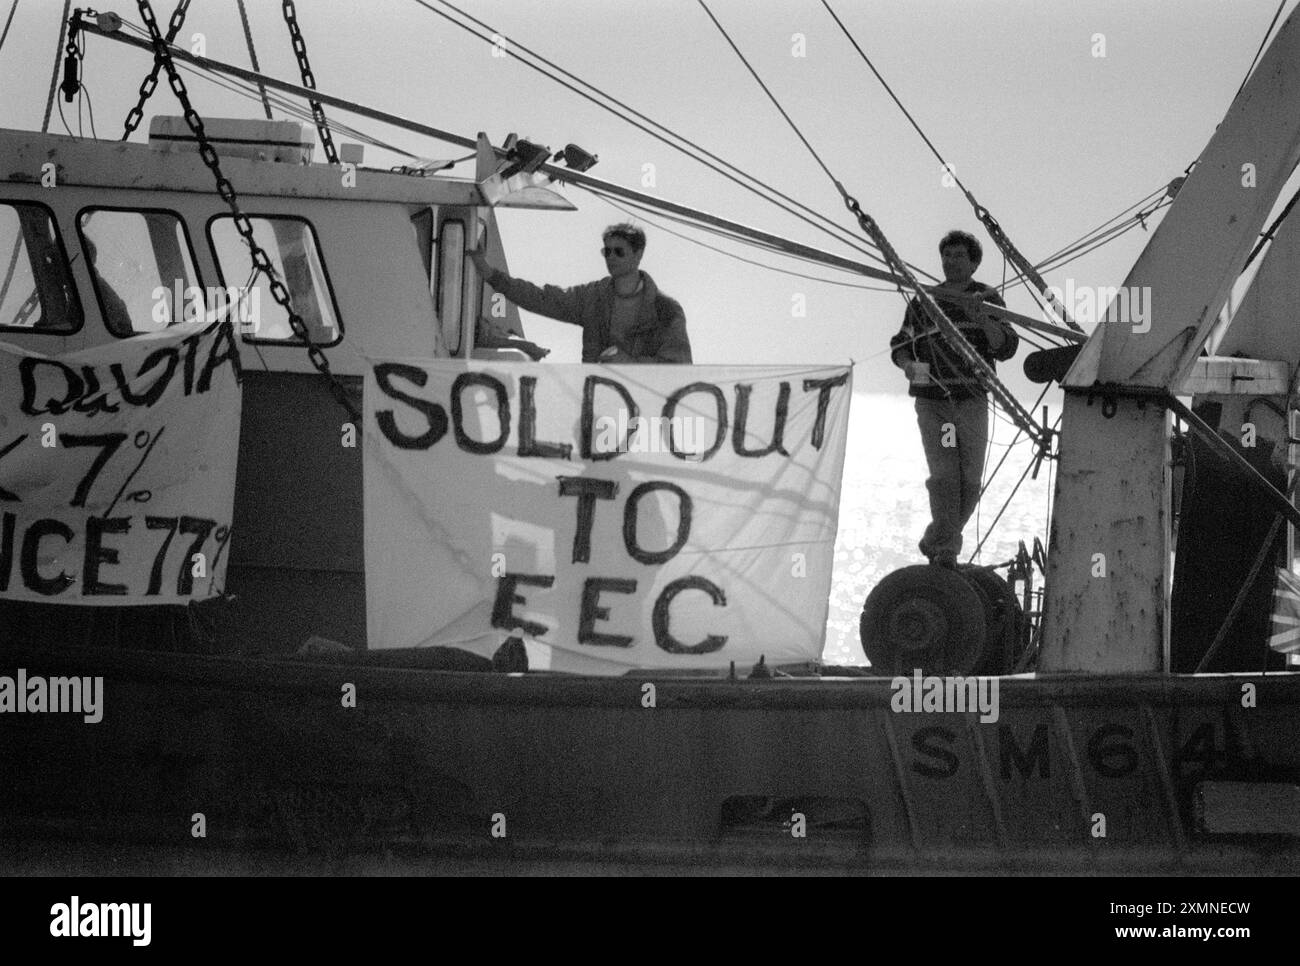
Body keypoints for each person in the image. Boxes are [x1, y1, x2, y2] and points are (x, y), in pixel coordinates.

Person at [890, 230, 1018, 568]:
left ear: (974, 263)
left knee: (970, 479)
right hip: (936, 403)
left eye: (959, 256)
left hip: (971, 399)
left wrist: (981, 319)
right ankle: (947, 549)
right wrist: (908, 366)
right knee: (946, 475)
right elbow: (901, 345)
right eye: (947, 256)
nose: (951, 262)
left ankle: (936, 536)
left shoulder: (987, 298)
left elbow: (1005, 346)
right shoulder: (924, 300)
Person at [468, 223, 692, 363]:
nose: (611, 257)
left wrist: (630, 364)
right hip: (598, 401)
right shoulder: (592, 298)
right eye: (607, 251)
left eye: (619, 251)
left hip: (644, 409)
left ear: (638, 254)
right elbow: (541, 299)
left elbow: (678, 369)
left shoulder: (665, 309)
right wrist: (488, 273)